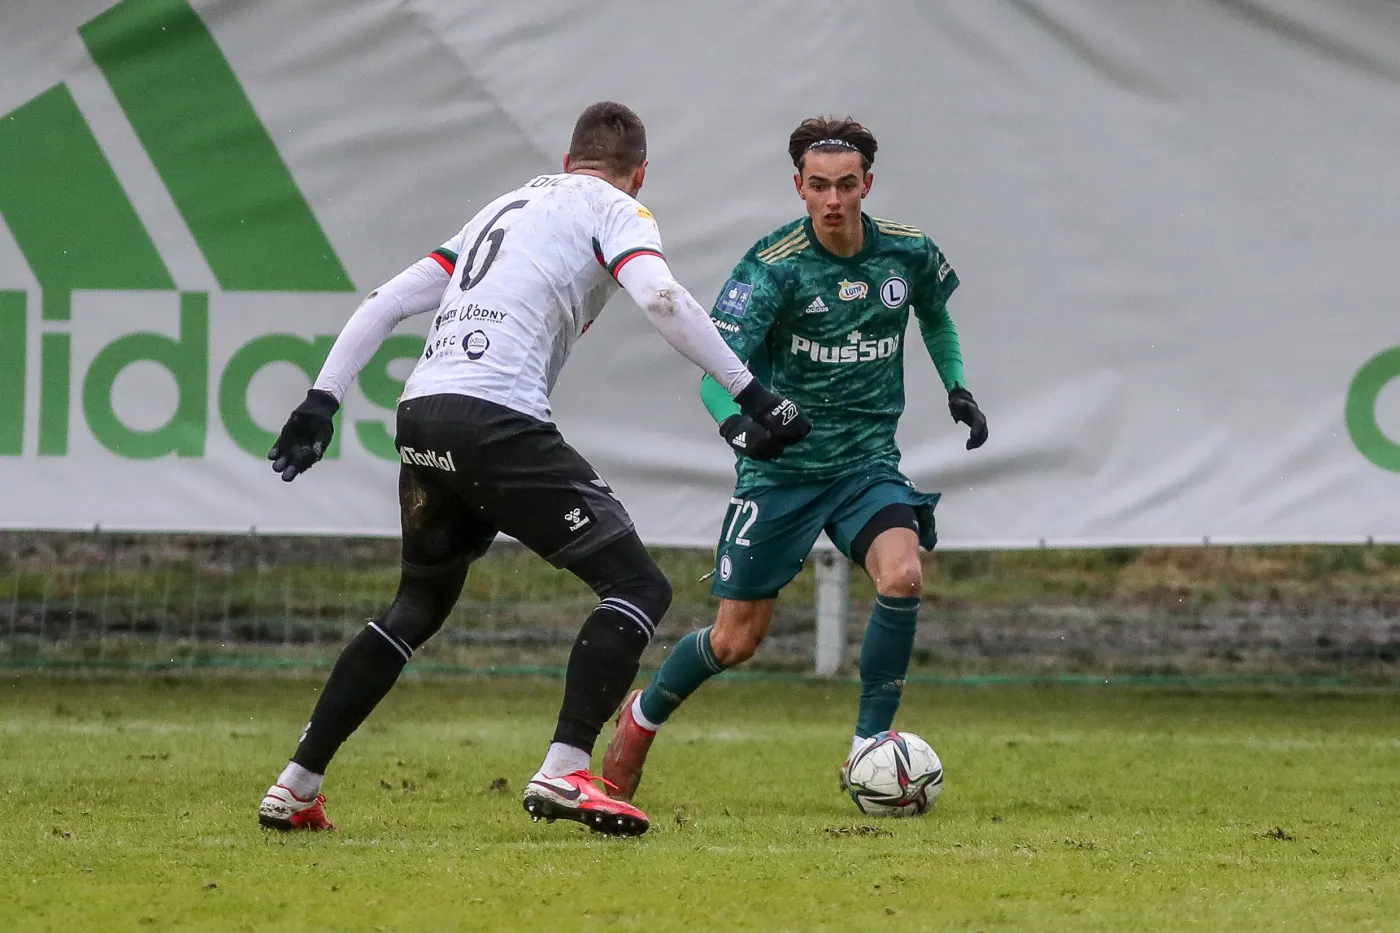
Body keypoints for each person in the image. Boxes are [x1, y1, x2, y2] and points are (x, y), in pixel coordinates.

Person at [256, 102, 810, 838]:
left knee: (415, 607)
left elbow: (385, 302)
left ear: (568, 155)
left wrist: (320, 401)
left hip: (422, 414)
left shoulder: (504, 207)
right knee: (638, 585)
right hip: (495, 419)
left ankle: (296, 784)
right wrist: (754, 393)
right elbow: (660, 296)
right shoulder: (617, 209)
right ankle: (566, 766)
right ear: (639, 173)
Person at [603, 115, 988, 801]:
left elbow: (934, 313)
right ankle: (642, 714)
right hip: (781, 472)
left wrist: (956, 384)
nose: (833, 199)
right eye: (819, 186)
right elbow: (711, 372)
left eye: (846, 185)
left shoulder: (907, 252)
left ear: (868, 183)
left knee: (902, 575)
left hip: (866, 463)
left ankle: (868, 743)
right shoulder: (772, 267)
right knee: (735, 640)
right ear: (799, 188)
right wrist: (741, 432)